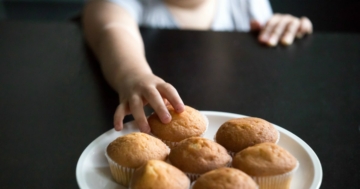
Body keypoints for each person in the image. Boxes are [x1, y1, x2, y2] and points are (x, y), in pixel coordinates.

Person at [82, 0, 313, 133]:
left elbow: (265, 36)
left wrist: (282, 26)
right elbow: (111, 29)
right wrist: (133, 74)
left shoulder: (246, 4)